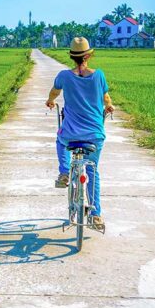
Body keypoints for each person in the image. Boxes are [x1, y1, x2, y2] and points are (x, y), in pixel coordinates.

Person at [45, 37, 114, 230]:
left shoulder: (64, 76)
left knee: (60, 141)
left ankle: (65, 172)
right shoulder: (99, 76)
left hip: (71, 133)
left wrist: (50, 101)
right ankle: (96, 215)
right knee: (93, 171)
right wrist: (108, 106)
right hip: (94, 134)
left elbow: (54, 92)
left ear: (71, 57)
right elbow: (106, 97)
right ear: (89, 55)